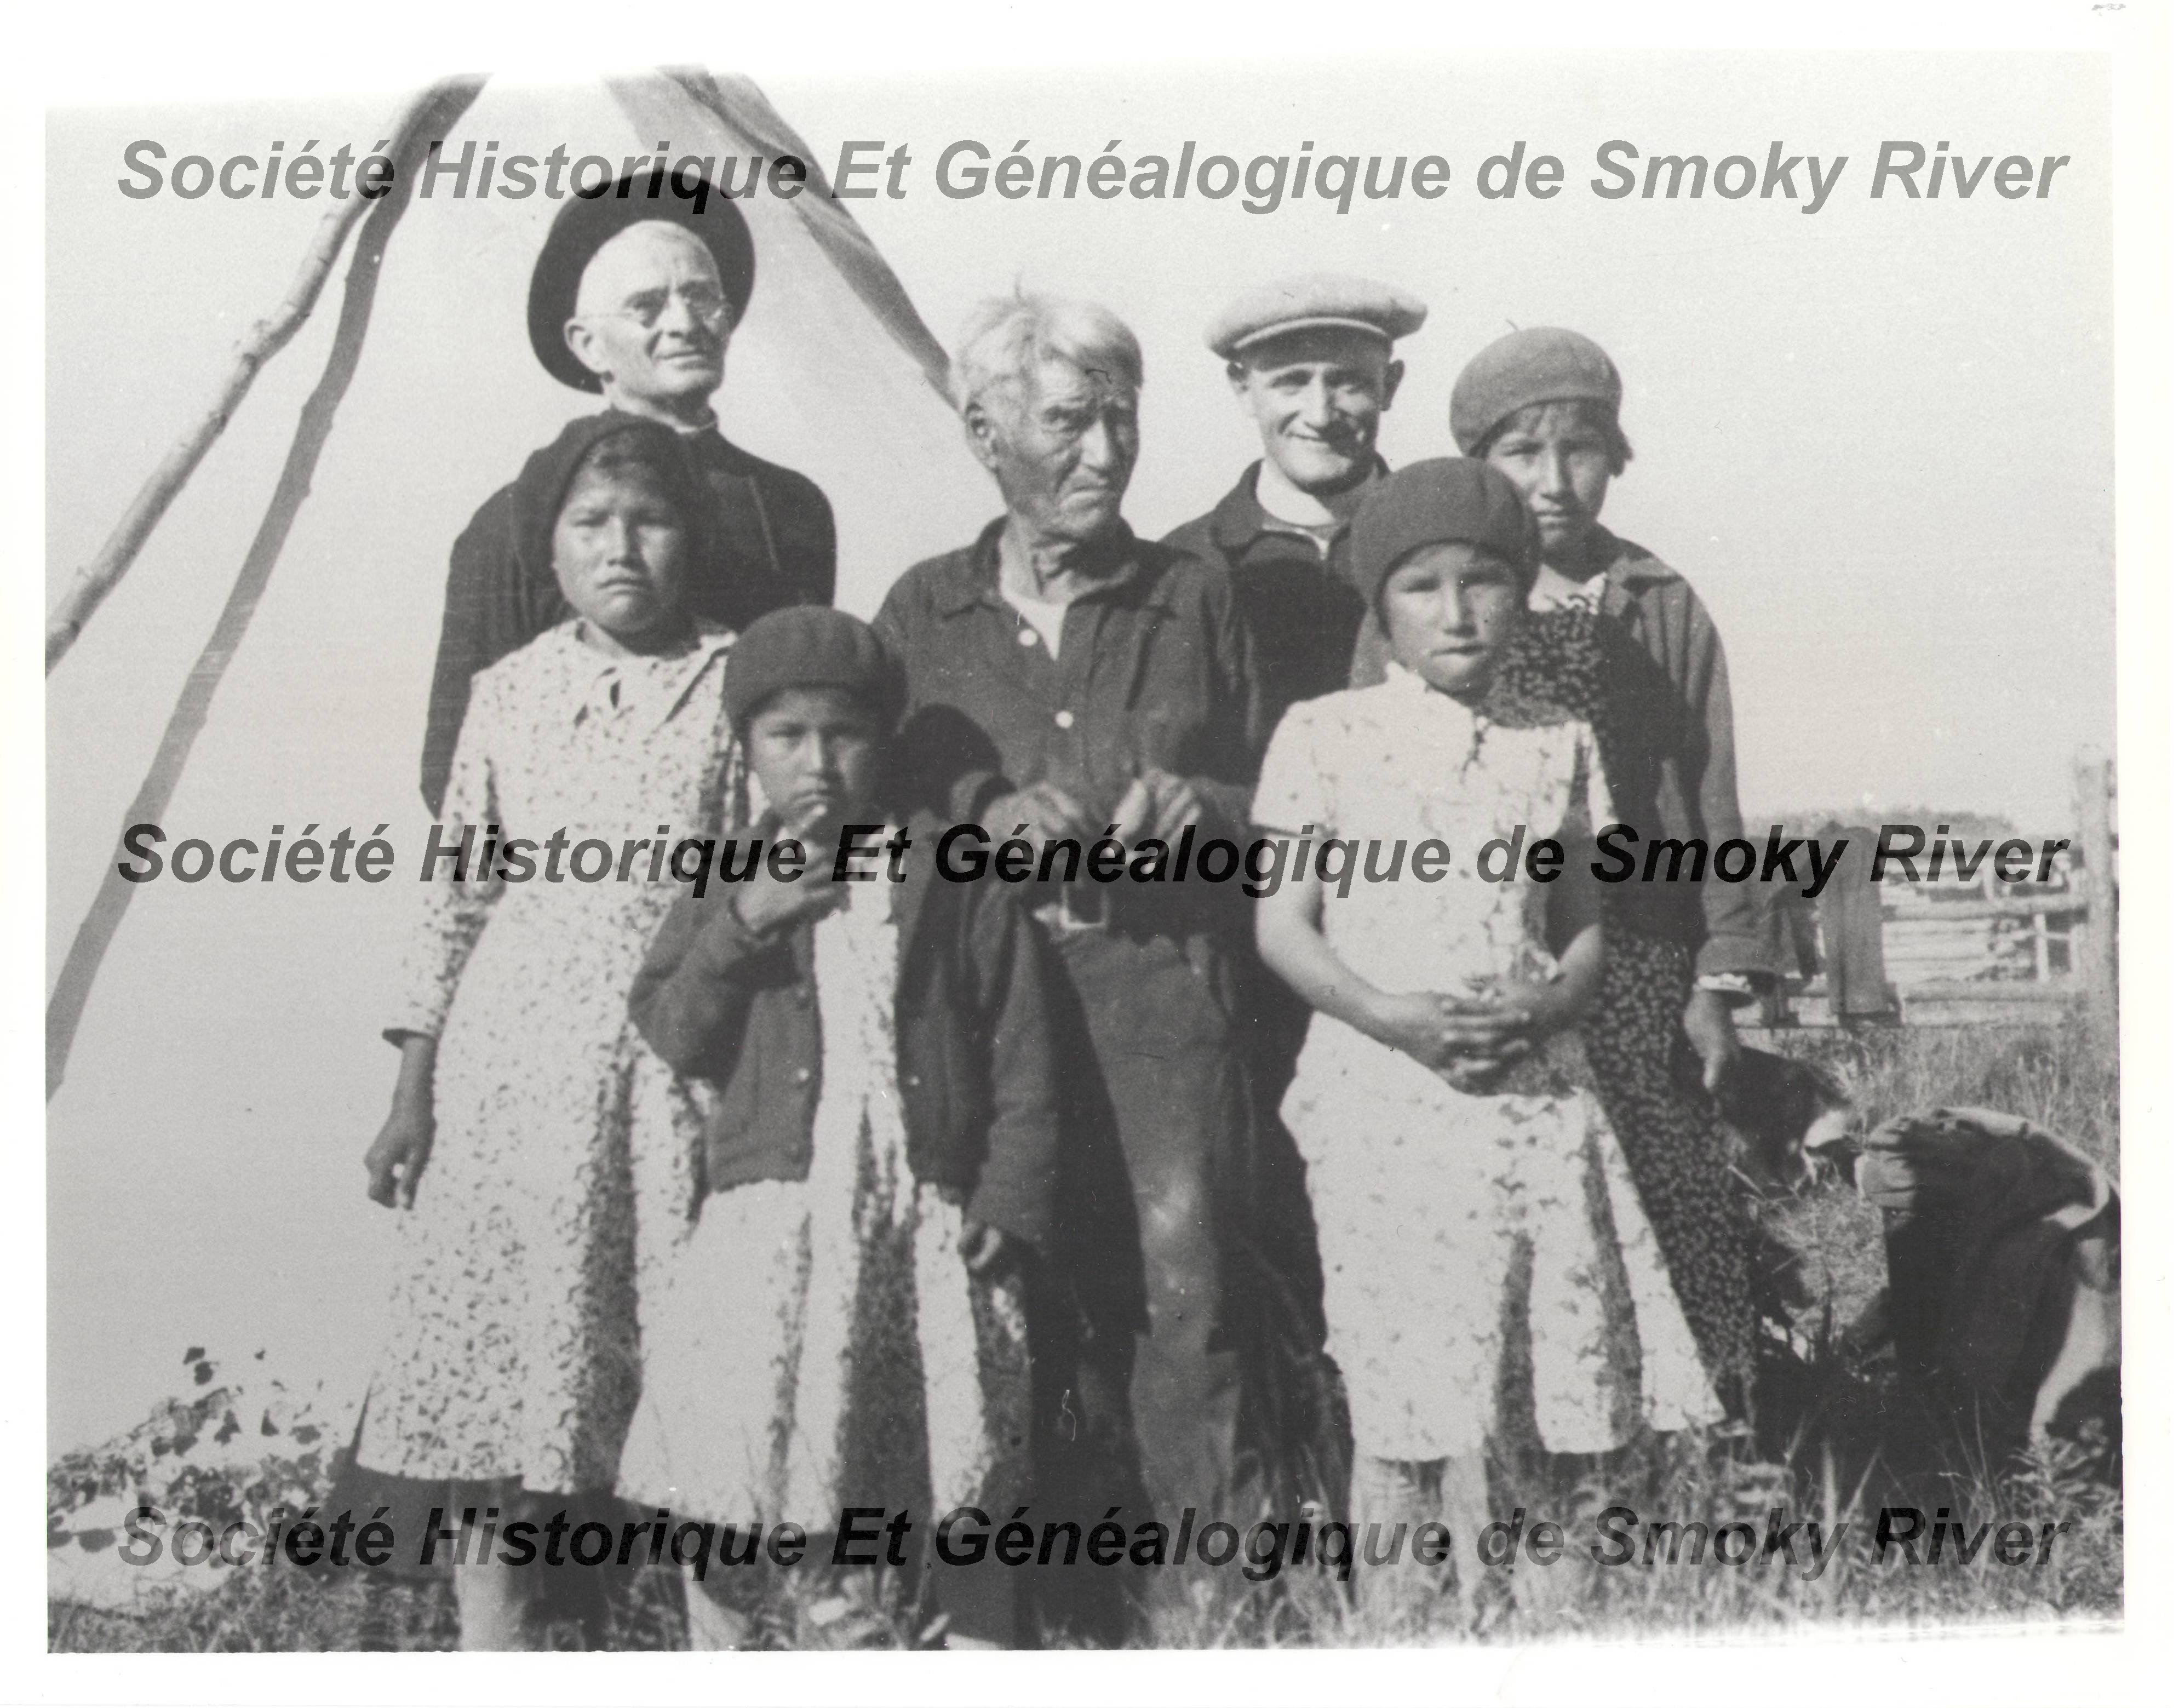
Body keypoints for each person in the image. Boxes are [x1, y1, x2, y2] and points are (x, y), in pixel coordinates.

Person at [1254, 458, 1721, 1614]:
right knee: (1410, 1377)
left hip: (1534, 1093)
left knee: (1552, 1358)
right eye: (1422, 586)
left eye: (1484, 582)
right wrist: (1391, 1015)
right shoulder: (1325, 733)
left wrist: (1551, 1002)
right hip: (1384, 1099)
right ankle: (1408, 1627)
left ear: (1520, 592)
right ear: (1381, 605)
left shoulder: (1555, 739)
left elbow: (1583, 926)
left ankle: (1549, 1620)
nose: (1457, 611)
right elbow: (1284, 925)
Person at [873, 291, 1274, 1567]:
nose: (1103, 454)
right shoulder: (921, 614)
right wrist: (981, 813)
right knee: (1010, 1307)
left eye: (1121, 421)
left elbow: (1291, 801)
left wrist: (1199, 806)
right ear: (983, 429)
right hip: (989, 1030)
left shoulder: (1190, 595)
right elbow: (874, 815)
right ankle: (1040, 1617)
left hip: (1164, 1007)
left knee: (1186, 1300)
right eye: (1068, 422)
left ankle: (1220, 1614)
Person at [345, 414, 741, 1648]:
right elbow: (458, 892)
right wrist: (412, 1088)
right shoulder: (505, 692)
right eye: (590, 524)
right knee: (499, 1386)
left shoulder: (740, 681)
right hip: (507, 1079)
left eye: (649, 519)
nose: (622, 548)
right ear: (551, 551)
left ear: (691, 536)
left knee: (695, 1381)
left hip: (671, 1073)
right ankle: (496, 1647)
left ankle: (724, 1645)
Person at [617, 607, 1057, 1650]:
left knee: (940, 1464)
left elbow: (1020, 1038)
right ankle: (766, 1640)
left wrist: (1012, 1188)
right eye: (787, 738)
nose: (818, 761)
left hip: (921, 1207)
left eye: (844, 734)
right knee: (752, 1459)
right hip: (779, 1212)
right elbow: (671, 1028)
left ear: (883, 739)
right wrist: (742, 927)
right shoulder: (729, 870)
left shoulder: (947, 865)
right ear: (749, 750)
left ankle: (941, 1640)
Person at [1354, 326, 1766, 1406]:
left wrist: (1720, 979)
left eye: (1577, 449)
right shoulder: (1435, 596)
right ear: (1473, 461)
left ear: (1615, 456)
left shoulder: (1656, 599)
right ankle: (1526, 1441)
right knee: (1515, 1194)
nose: (1551, 479)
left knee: (1668, 1184)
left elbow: (1707, 791)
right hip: (1486, 956)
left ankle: (1704, 1443)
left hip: (1638, 955)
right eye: (1520, 452)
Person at [419, 176, 834, 814]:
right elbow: (457, 768)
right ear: (588, 344)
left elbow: (809, 718)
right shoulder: (511, 524)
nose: (685, 324)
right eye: (647, 307)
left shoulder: (789, 507)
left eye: (702, 297)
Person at [1163, 273, 1425, 729]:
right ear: (1243, 389)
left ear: (1391, 385)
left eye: (1348, 382)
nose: (1321, 415)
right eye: (1292, 382)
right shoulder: (1184, 565)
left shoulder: (1438, 543)